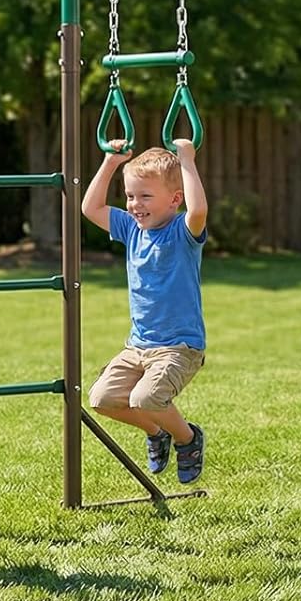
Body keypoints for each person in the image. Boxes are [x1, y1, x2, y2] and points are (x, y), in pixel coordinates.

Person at [82, 138, 208, 485]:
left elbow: (198, 212)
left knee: (145, 397)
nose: (135, 205)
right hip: (138, 346)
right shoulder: (131, 230)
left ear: (174, 199)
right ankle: (157, 432)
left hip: (179, 347)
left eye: (145, 196)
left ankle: (188, 439)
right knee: (102, 399)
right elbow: (91, 209)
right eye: (130, 196)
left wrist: (187, 161)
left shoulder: (182, 233)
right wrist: (110, 163)